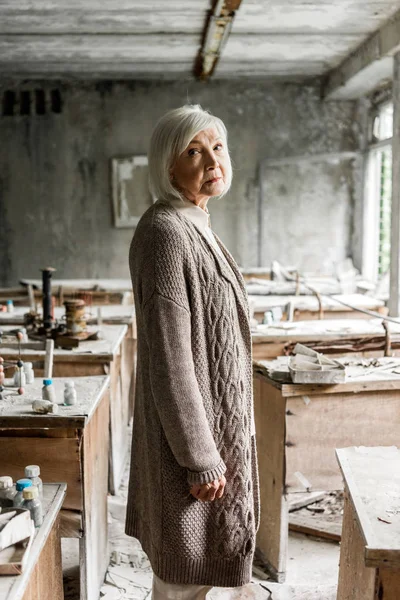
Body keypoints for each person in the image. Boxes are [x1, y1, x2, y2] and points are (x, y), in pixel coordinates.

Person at [125, 104, 260, 600]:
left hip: (219, 434)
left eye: (217, 147)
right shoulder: (165, 233)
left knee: (205, 574)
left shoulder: (196, 223)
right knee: (183, 579)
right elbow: (168, 359)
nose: (211, 161)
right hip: (192, 450)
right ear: (168, 166)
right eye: (193, 151)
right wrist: (200, 458)